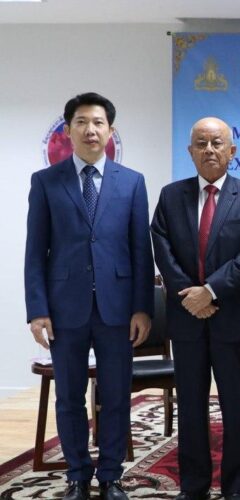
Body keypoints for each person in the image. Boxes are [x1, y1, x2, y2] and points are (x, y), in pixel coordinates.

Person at [25, 92, 153, 500]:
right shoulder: (46, 182)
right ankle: (77, 475)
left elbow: (141, 250)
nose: (90, 129)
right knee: (69, 398)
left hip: (118, 310)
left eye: (98, 122)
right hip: (65, 310)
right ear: (68, 130)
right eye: (81, 122)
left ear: (110, 130)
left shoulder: (132, 182)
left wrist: (142, 308)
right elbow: (35, 251)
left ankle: (111, 476)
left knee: (116, 397)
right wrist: (37, 310)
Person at [151, 117, 240, 500]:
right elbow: (162, 247)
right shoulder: (171, 196)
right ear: (190, 152)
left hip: (232, 319)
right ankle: (194, 487)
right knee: (191, 408)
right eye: (201, 143)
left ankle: (236, 489)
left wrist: (211, 292)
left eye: (217, 143)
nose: (209, 150)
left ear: (232, 151)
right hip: (187, 319)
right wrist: (190, 295)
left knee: (236, 409)